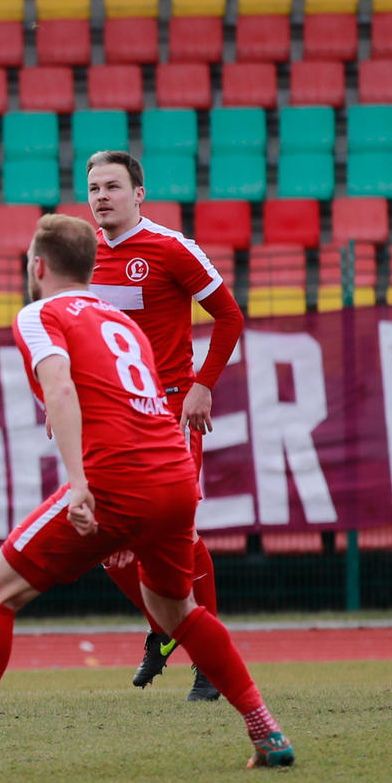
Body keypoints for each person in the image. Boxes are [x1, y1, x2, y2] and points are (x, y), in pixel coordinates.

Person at [0, 215, 293, 780]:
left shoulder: (39, 315)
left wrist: (80, 483)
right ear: (91, 268)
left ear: (38, 266)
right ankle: (266, 730)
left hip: (119, 478)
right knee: (177, 610)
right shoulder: (120, 320)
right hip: (173, 476)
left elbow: (61, 387)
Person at [86, 151, 245, 700]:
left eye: (112, 186)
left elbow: (229, 316)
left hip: (169, 409)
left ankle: (208, 659)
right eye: (94, 188)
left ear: (138, 195)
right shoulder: (83, 257)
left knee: (180, 533)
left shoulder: (171, 248)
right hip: (107, 415)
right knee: (107, 540)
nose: (101, 196)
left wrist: (202, 385)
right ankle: (165, 629)